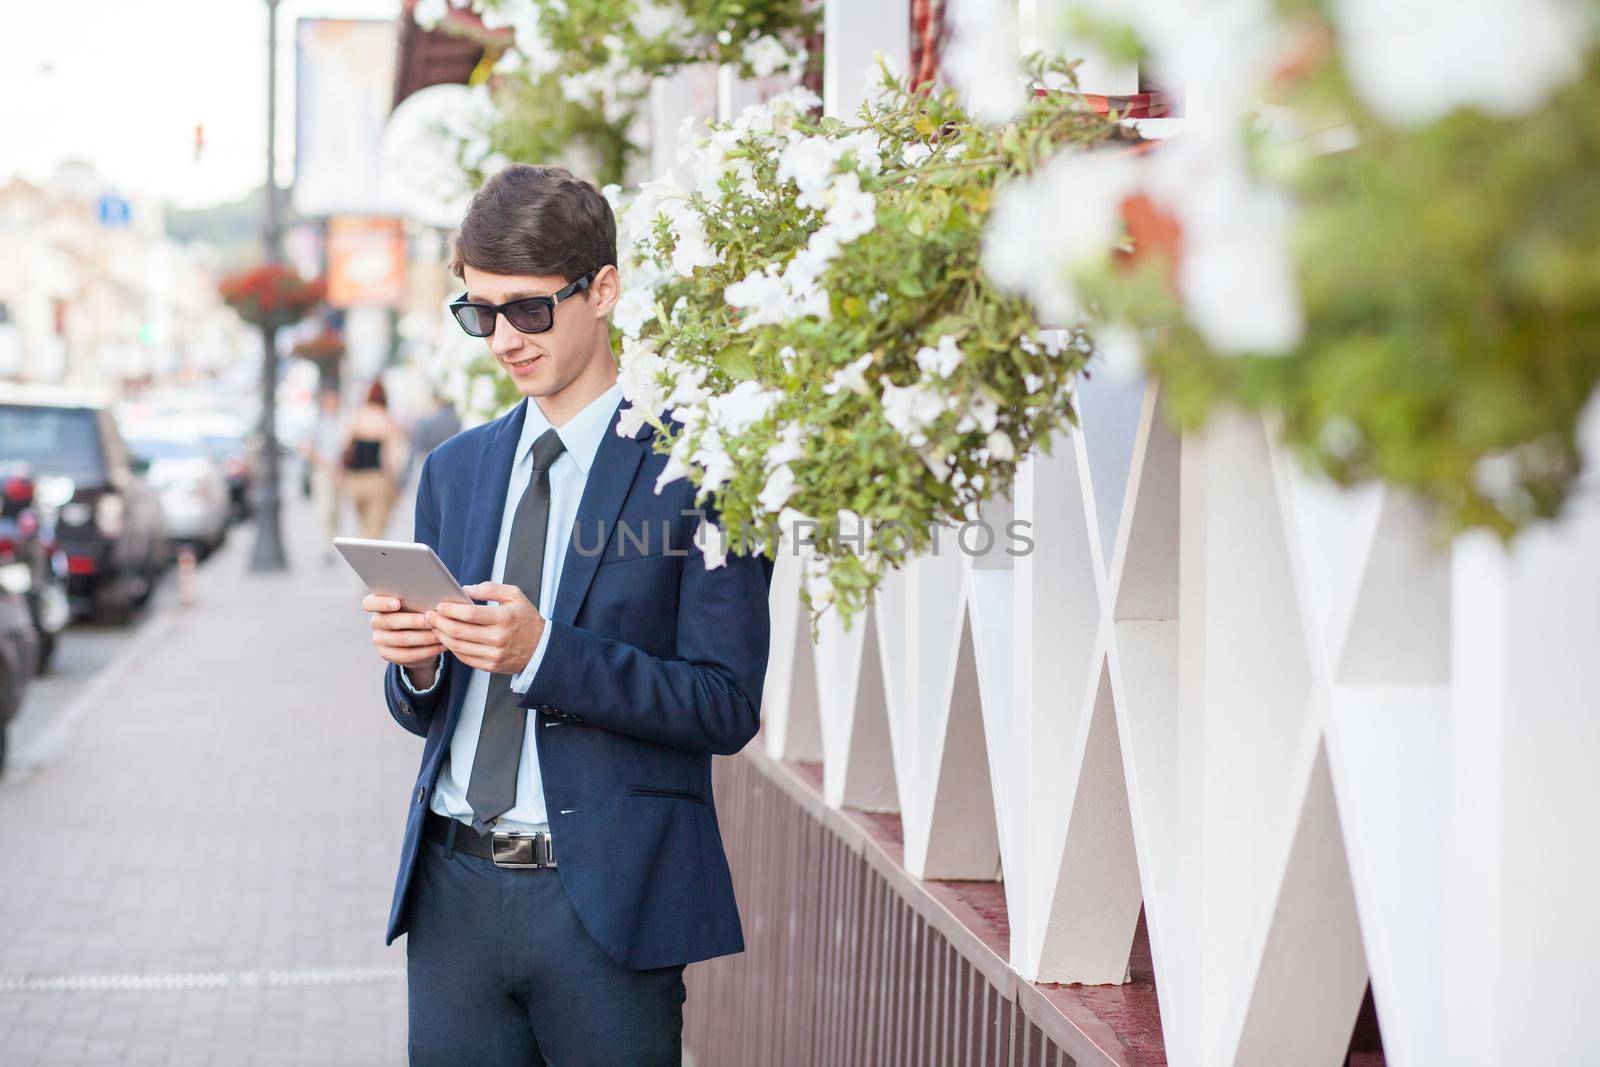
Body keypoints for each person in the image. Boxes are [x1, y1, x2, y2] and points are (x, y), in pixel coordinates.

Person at [361, 164, 773, 1065]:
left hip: (609, 902)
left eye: (530, 309)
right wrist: (418, 662)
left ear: (605, 289)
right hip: (452, 888)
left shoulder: (700, 466)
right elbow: (424, 706)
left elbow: (725, 704)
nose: (504, 337)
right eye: (480, 313)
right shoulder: (456, 469)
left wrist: (546, 654)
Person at [340, 380, 407, 540]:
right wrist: (395, 484)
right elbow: (392, 458)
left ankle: (362, 556)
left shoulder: (356, 416)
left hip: (354, 480)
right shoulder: (386, 419)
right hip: (377, 480)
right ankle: (368, 560)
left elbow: (344, 448)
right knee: (376, 527)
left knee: (363, 525)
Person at [306, 387, 346, 560]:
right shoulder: (317, 423)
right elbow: (309, 448)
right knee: (326, 508)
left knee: (337, 510)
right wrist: (325, 465)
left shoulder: (342, 422)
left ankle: (335, 542)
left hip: (338, 471)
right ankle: (327, 546)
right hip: (323, 471)